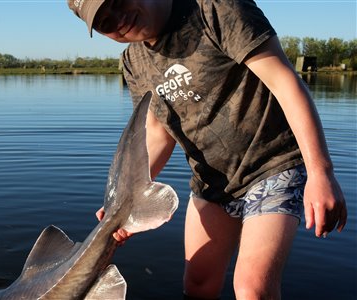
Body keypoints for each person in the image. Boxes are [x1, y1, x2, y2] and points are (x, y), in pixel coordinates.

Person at [67, 0, 348, 299]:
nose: (118, 20)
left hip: (272, 165)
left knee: (253, 289)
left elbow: (285, 83)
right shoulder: (133, 61)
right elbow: (159, 133)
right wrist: (126, 205)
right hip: (212, 183)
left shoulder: (215, 10)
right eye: (105, 23)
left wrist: (321, 173)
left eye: (116, 3)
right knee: (198, 284)